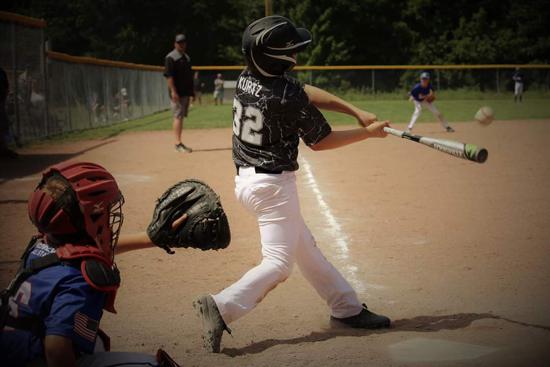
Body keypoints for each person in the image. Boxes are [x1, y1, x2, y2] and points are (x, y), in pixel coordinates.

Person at [192, 15, 391, 354]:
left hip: (247, 180)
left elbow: (302, 91)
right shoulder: (285, 96)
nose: (296, 54)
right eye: (291, 50)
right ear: (277, 57)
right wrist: (367, 134)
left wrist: (354, 109)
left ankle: (346, 307)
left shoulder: (246, 77)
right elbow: (321, 140)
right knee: (279, 264)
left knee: (305, 248)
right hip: (272, 187)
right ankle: (222, 306)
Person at [0, 162, 180, 367]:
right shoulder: (79, 278)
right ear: (90, 220)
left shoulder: (40, 248)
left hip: (15, 349)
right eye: (105, 213)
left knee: (94, 342)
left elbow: (84, 250)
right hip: (37, 357)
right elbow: (56, 348)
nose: (110, 219)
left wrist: (150, 238)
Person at [164, 34, 194, 153]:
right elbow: (169, 76)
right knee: (178, 116)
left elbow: (189, 76)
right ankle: (177, 144)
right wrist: (173, 91)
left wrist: (192, 92)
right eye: (179, 42)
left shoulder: (186, 57)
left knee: (181, 117)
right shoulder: (171, 57)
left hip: (185, 92)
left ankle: (179, 142)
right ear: (175, 44)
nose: (181, 44)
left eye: (183, 42)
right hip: (177, 93)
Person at [0, 66, 18, 159]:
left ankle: (3, 148)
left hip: (1, 101)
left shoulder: (1, 72)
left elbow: (6, 86)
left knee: (3, 125)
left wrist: (5, 93)